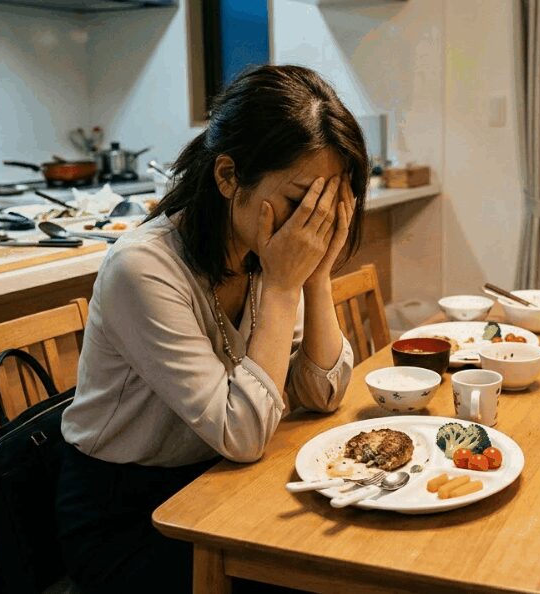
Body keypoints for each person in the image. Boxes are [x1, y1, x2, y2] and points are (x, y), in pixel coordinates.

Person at [55, 64, 368, 593]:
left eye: (330, 204)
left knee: (355, 542)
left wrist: (317, 276)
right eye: (301, 201)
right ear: (228, 177)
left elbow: (322, 391)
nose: (314, 224)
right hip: (128, 514)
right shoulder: (143, 268)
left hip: (218, 480)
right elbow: (242, 433)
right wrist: (286, 284)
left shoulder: (260, 250)